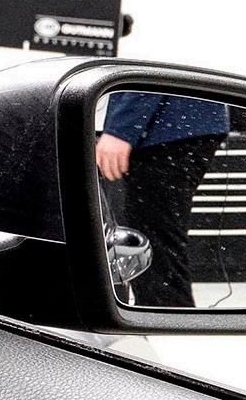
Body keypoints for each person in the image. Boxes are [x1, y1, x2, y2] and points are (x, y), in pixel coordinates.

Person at [95, 90, 232, 308]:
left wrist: (121, 129)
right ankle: (162, 318)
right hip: (176, 125)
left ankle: (169, 322)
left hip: (166, 129)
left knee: (151, 253)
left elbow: (149, 72)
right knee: (149, 249)